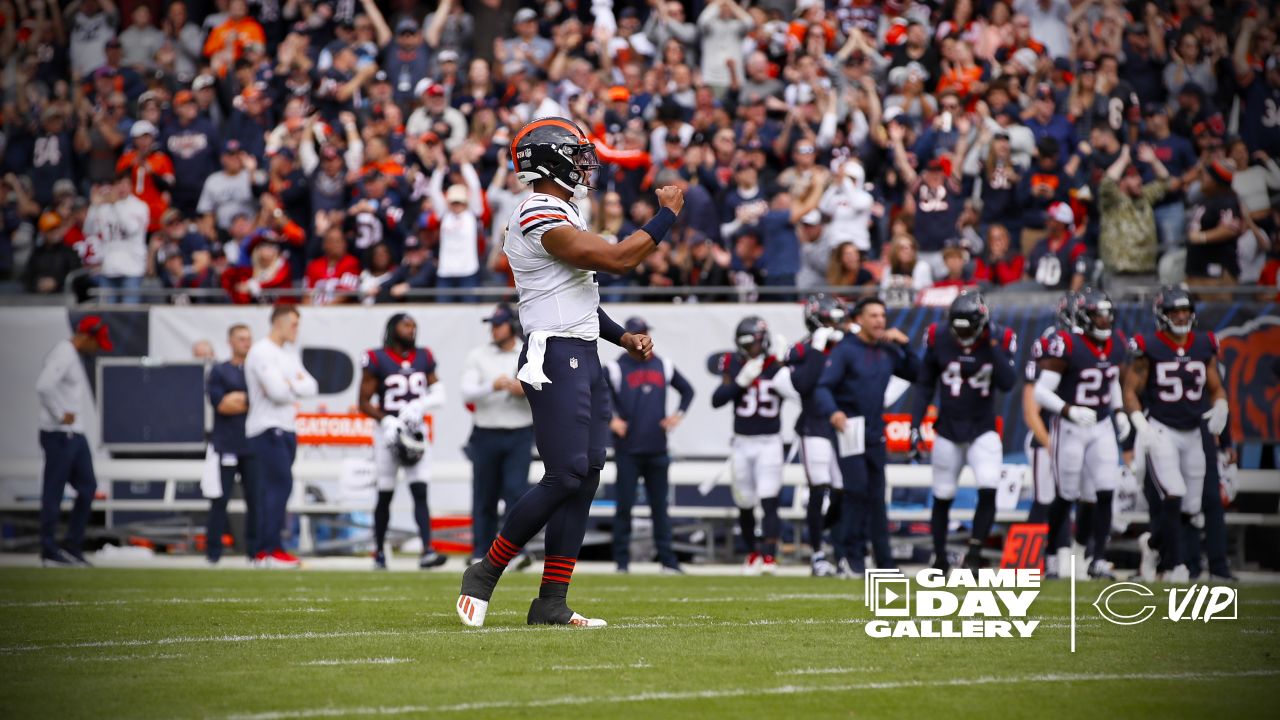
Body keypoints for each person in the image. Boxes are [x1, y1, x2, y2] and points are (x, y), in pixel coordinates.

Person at [456, 117, 681, 628]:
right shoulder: (537, 210)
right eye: (576, 154)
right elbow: (621, 258)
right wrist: (665, 217)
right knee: (565, 475)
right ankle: (486, 571)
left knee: (586, 478)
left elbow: (574, 301)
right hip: (553, 353)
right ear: (550, 161)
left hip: (580, 349)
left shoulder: (563, 209)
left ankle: (551, 600)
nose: (585, 162)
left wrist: (621, 336)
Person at [1122, 287, 1229, 583]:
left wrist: (1221, 405)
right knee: (1174, 494)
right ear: (1162, 315)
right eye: (1174, 312)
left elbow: (1215, 385)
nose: (1181, 316)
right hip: (1161, 430)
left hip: (1194, 431)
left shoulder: (1204, 344)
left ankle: (1153, 545)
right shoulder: (1149, 346)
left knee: (1192, 508)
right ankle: (1176, 564)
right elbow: (1130, 390)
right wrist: (1139, 424)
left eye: (1185, 311)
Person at [910, 292, 1018, 573]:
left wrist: (990, 344)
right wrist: (914, 424)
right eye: (957, 328)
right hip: (948, 427)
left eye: (968, 328)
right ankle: (940, 556)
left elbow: (1008, 382)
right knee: (942, 494)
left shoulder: (1000, 338)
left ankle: (974, 551)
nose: (962, 335)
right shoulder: (937, 336)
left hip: (982, 427)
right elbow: (924, 384)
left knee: (988, 485)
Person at [815, 297, 919, 576]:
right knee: (856, 490)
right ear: (858, 319)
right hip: (850, 428)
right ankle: (851, 556)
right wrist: (834, 412)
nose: (879, 321)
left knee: (876, 496)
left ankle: (884, 562)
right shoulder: (846, 350)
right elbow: (823, 387)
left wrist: (906, 345)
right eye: (873, 315)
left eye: (882, 316)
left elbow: (916, 373)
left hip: (874, 431)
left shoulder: (887, 350)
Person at [1034, 288, 1131, 580]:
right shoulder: (1067, 344)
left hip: (1100, 425)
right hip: (1071, 428)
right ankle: (1052, 554)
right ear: (1083, 318)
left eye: (1106, 314)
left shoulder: (1116, 343)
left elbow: (1111, 379)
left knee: (1103, 490)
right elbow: (1040, 391)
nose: (1104, 320)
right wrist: (1069, 410)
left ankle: (1095, 557)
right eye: (1097, 315)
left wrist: (1118, 411)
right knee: (1066, 494)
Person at [711, 316, 801, 575]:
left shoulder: (775, 366)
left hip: (769, 443)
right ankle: (753, 553)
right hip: (742, 443)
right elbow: (717, 400)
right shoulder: (735, 366)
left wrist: (788, 369)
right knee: (745, 501)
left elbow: (800, 392)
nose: (754, 348)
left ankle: (770, 556)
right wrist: (740, 382)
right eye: (750, 344)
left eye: (757, 343)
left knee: (769, 498)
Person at [358, 313, 448, 570]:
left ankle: (427, 550)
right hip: (387, 432)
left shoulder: (424, 356)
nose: (411, 330)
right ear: (392, 328)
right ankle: (378, 552)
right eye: (406, 325)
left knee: (420, 490)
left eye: (414, 325)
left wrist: (421, 404)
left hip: (415, 432)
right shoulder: (376, 357)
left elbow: (439, 393)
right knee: (385, 491)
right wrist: (386, 420)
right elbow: (363, 402)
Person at [606, 316, 695, 574]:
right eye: (638, 333)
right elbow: (597, 393)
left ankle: (668, 561)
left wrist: (677, 415)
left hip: (657, 448)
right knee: (624, 507)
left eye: (645, 333)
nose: (643, 339)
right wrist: (611, 419)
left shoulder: (663, 365)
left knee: (660, 509)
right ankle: (622, 562)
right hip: (628, 450)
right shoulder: (615, 368)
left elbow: (688, 391)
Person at [461, 303, 535, 568]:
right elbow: (467, 393)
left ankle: (514, 552)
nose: (493, 329)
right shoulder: (478, 355)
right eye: (492, 324)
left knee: (516, 494)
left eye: (498, 324)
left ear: (512, 326)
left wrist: (524, 388)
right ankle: (481, 551)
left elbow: (545, 387)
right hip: (487, 432)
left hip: (519, 433)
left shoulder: (528, 353)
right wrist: (490, 386)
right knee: (485, 495)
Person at [245, 305, 318, 568]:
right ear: (279, 323)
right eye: (294, 323)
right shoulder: (261, 351)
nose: (297, 329)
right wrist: (291, 385)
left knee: (280, 487)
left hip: (286, 427)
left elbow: (312, 385)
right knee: (278, 486)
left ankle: (267, 549)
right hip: (266, 427)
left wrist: (289, 385)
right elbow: (276, 392)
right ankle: (267, 549)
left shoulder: (288, 353)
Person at [35, 316, 112, 566]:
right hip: (59, 434)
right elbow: (44, 386)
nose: (98, 348)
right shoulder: (64, 353)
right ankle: (48, 548)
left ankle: (72, 545)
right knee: (54, 491)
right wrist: (59, 414)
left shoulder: (73, 355)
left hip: (74, 434)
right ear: (86, 336)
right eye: (96, 342)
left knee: (88, 488)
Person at [785, 295, 848, 577]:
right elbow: (804, 384)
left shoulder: (847, 345)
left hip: (843, 425)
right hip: (814, 424)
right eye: (830, 318)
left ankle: (836, 545)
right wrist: (818, 349)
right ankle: (818, 553)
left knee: (842, 490)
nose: (836, 323)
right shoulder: (801, 349)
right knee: (819, 488)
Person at [204, 324, 258, 564]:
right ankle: (213, 552)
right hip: (225, 444)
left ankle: (254, 551)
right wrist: (245, 400)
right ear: (230, 341)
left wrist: (238, 398)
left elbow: (260, 401)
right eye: (241, 338)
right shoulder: (219, 371)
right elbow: (221, 405)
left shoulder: (256, 370)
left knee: (256, 500)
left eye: (249, 338)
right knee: (219, 500)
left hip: (253, 445)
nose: (246, 343)